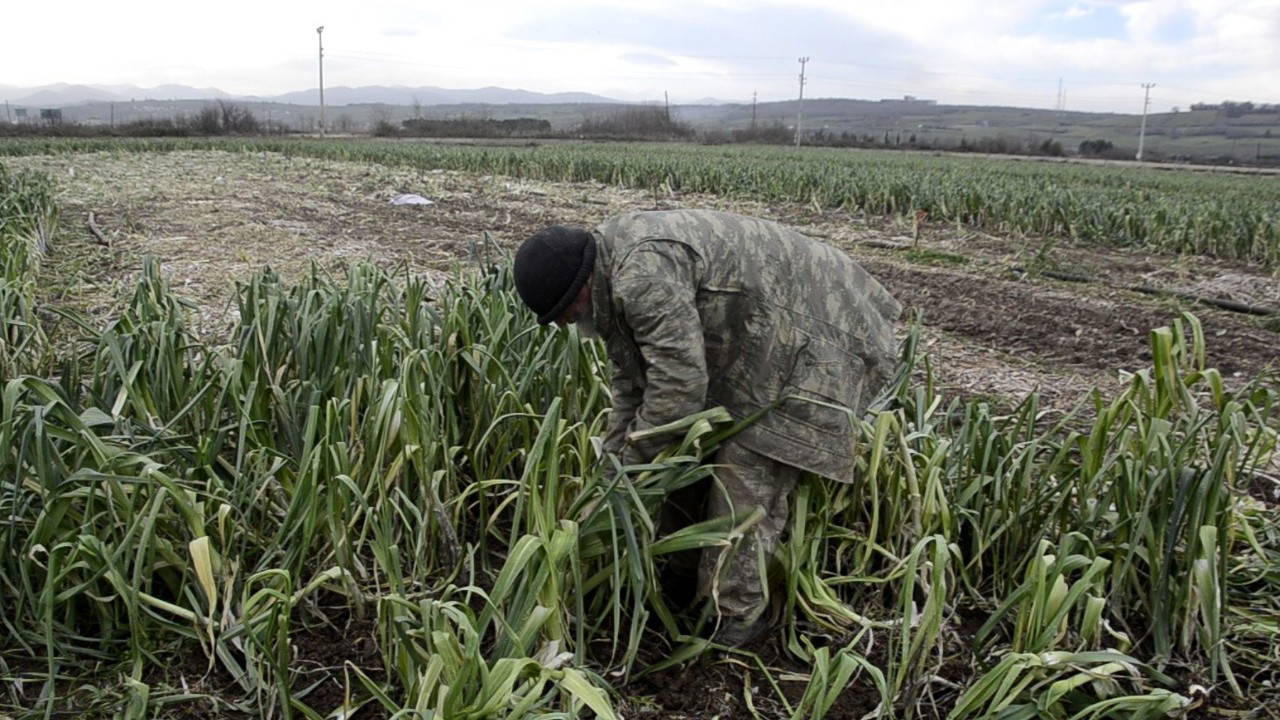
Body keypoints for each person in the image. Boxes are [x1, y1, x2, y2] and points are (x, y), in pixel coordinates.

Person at [512, 209, 902, 646]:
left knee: (743, 476)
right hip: (757, 339)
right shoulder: (611, 271)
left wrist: (633, 465)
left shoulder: (641, 275)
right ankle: (682, 581)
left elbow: (679, 387)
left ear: (580, 286)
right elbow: (632, 385)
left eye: (564, 313)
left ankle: (732, 621)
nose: (565, 324)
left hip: (817, 329)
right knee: (680, 458)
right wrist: (614, 473)